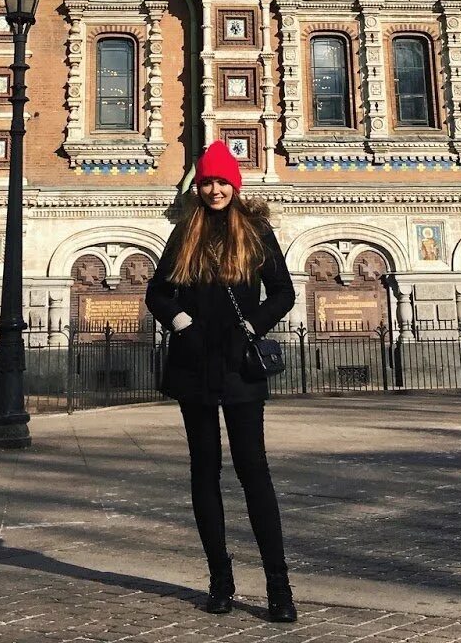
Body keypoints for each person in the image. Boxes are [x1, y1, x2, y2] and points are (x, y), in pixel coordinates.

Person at [146, 140, 297, 622]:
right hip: (194, 366)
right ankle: (220, 580)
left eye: (222, 182)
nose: (214, 190)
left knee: (254, 471)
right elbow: (157, 292)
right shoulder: (186, 231)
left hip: (239, 365)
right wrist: (180, 321)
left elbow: (284, 292)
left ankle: (278, 585)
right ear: (199, 186)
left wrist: (251, 326)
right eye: (207, 182)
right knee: (204, 471)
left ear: (235, 184)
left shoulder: (254, 231)